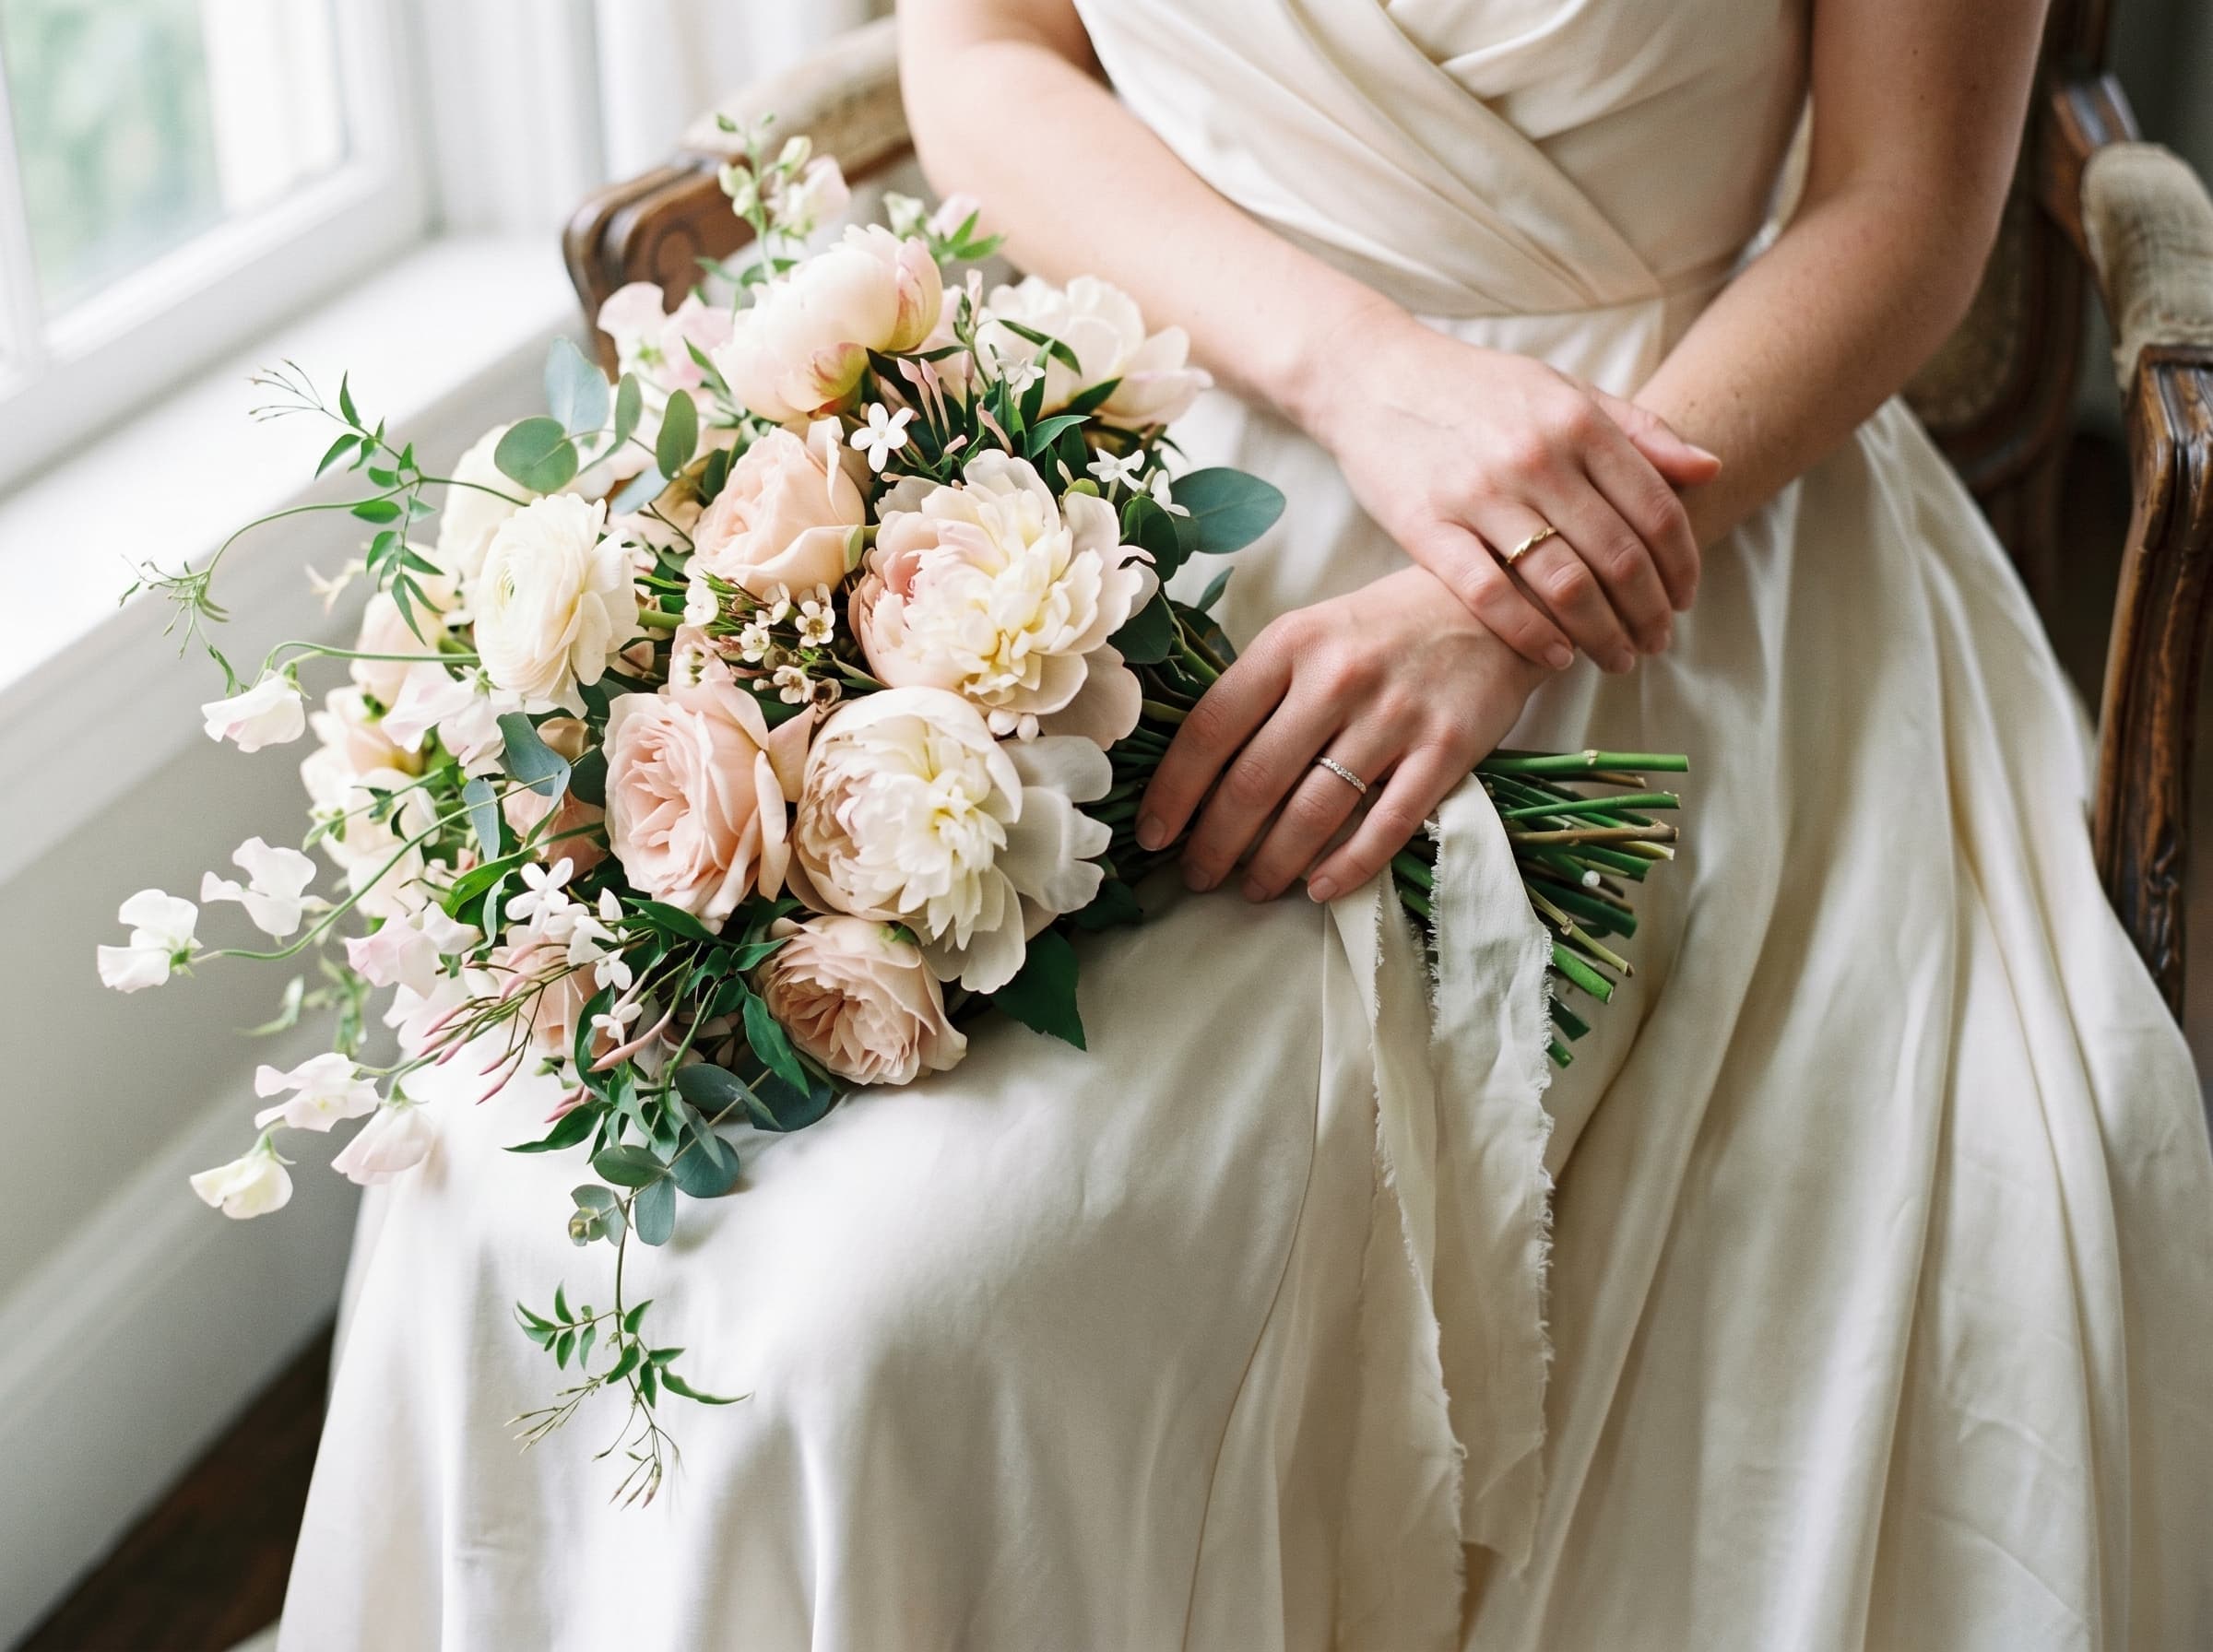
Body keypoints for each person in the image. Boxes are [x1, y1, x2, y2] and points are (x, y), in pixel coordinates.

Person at [281, 2, 2213, 1646]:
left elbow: (1907, 205)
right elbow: (983, 52)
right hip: (1126, 423)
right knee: (507, 1150)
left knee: (918, 1300)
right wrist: (1367, 374)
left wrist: (1505, 594)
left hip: (1650, 497)